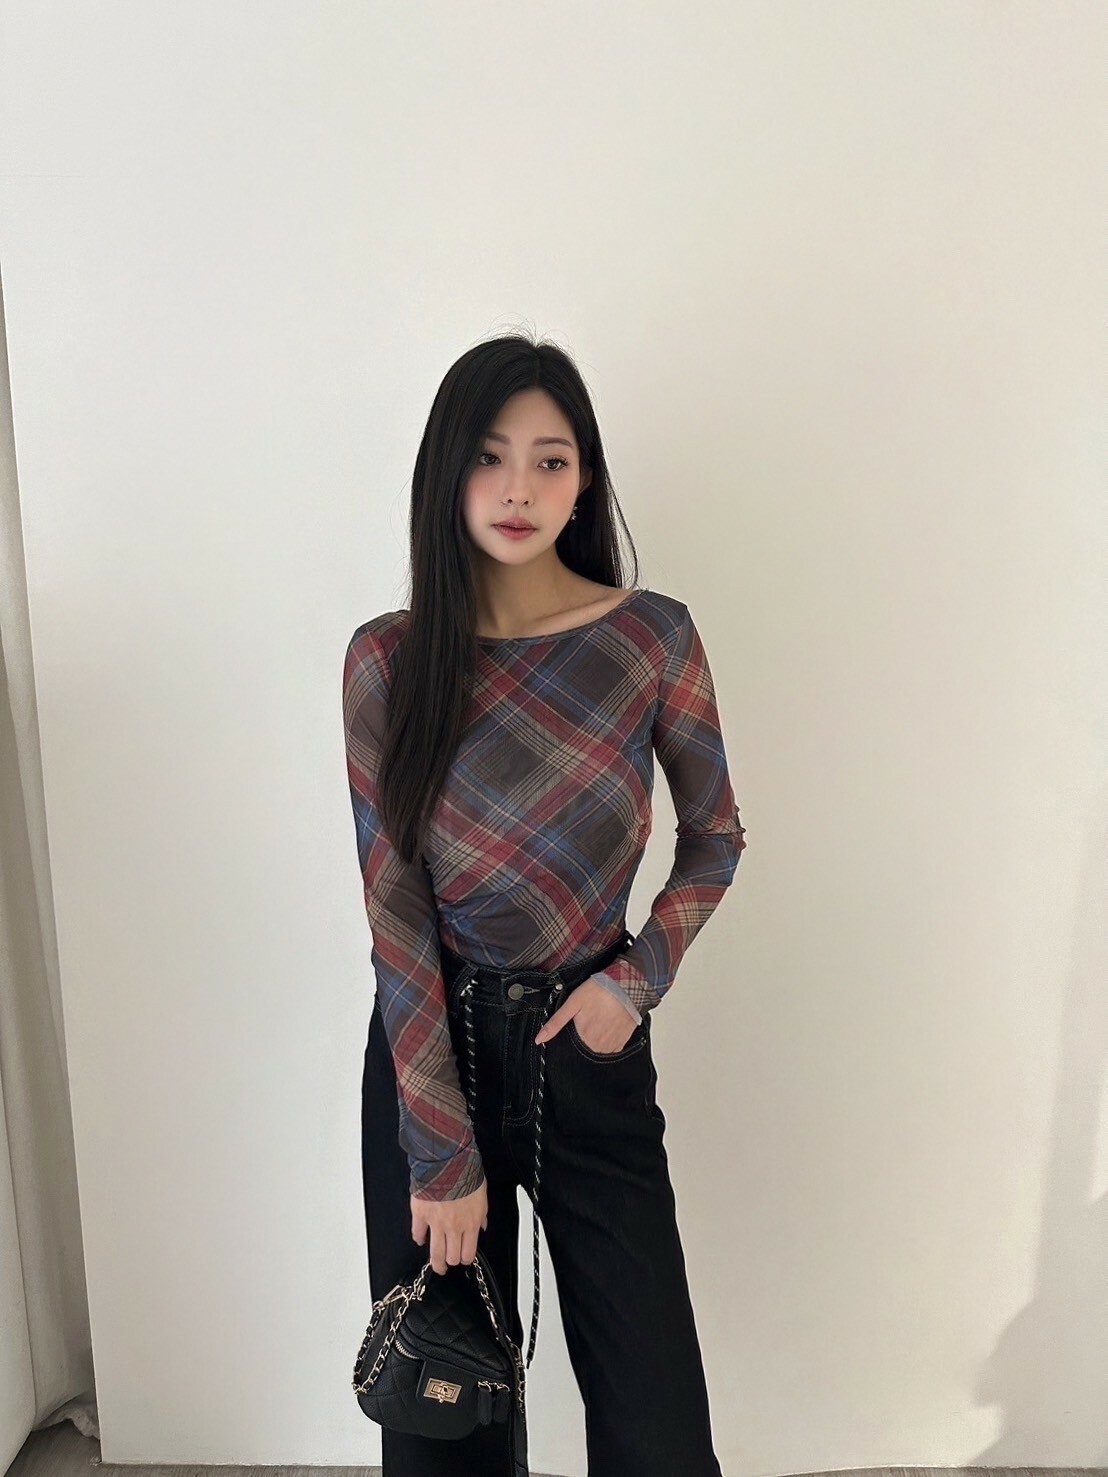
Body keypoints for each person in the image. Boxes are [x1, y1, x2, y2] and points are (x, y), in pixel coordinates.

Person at [343, 333, 746, 1476]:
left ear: (583, 480)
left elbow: (715, 837)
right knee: (445, 1413)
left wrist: (633, 983)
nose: (517, 487)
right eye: (488, 456)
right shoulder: (389, 658)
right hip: (436, 1047)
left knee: (656, 1418)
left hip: (589, 1048)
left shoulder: (649, 637)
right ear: (445, 471)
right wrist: (439, 1152)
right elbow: (394, 912)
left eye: (549, 460)